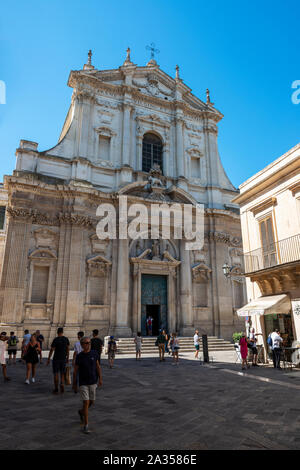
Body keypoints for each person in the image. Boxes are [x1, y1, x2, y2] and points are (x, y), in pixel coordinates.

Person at [73, 336, 103, 434]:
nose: (88, 344)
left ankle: (81, 412)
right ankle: (86, 425)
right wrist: (74, 383)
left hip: (93, 381)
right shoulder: (80, 356)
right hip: (83, 382)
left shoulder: (94, 353)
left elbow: (98, 366)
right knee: (86, 402)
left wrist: (100, 378)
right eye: (86, 343)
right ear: (82, 345)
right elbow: (75, 371)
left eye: (89, 343)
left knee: (92, 402)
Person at [47, 327, 70, 394]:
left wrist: (48, 358)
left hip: (56, 359)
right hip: (63, 359)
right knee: (62, 373)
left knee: (56, 373)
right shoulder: (66, 339)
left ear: (57, 332)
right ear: (62, 332)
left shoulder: (56, 339)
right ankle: (62, 384)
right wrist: (68, 358)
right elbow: (68, 349)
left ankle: (56, 388)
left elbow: (52, 349)